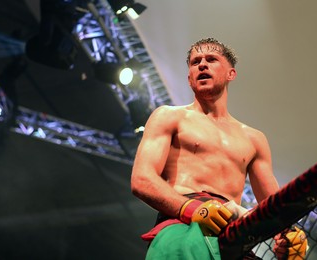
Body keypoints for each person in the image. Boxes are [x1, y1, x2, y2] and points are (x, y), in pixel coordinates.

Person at [131, 38, 307, 259]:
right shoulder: (169, 116)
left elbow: (273, 205)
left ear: (230, 74)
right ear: (189, 79)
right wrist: (192, 209)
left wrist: (290, 234)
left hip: (234, 236)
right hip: (181, 227)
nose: (202, 65)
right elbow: (142, 180)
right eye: (195, 62)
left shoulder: (254, 139)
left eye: (211, 59)